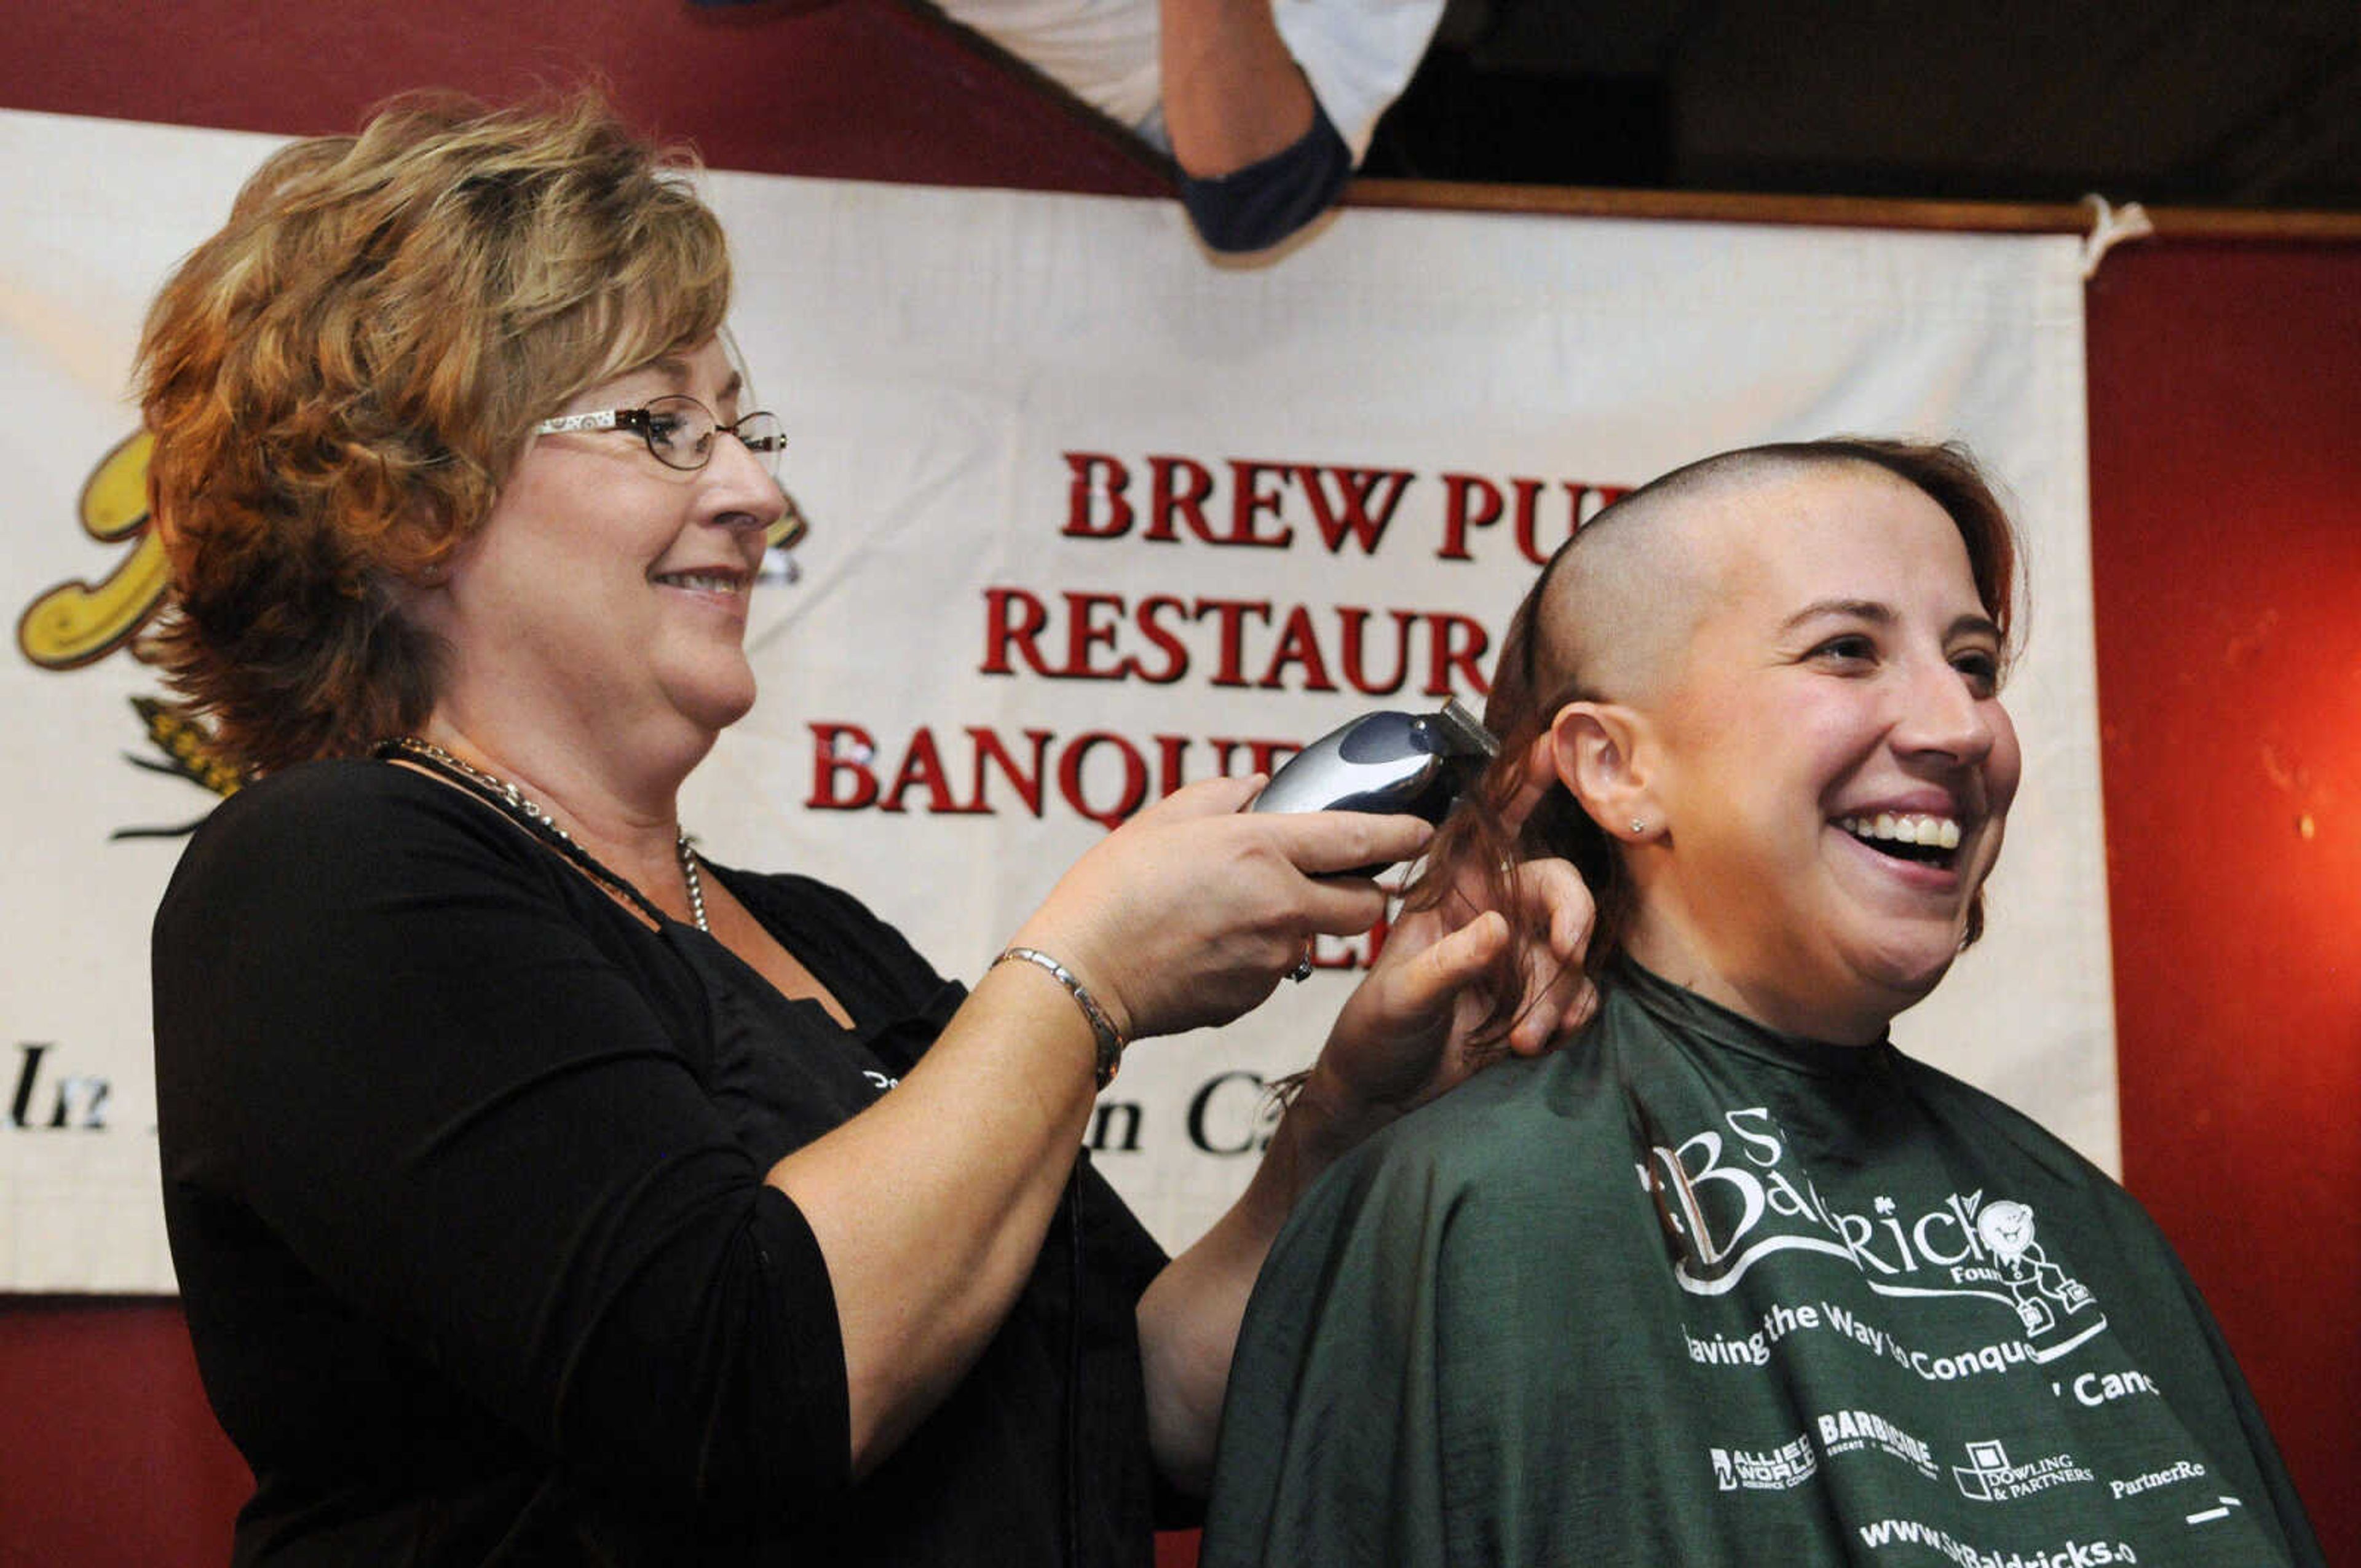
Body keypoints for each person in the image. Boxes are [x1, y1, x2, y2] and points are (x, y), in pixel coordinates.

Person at [140, 93, 1593, 1564]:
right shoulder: (327, 874)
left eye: (745, 427)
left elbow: (1147, 1418)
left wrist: (1353, 1125)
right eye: (662, 424)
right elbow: (751, 1386)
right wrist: (1083, 977)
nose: (759, 493)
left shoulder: (826, 939)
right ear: (401, 497)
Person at [1200, 440, 2325, 1565]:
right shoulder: (1466, 1209)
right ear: (1615, 771)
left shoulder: (2079, 1221)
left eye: (1975, 664)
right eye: (1847, 650)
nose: (1963, 725)